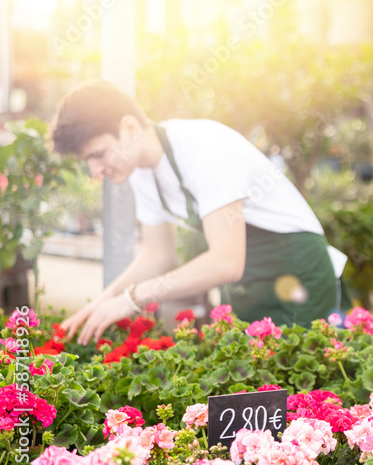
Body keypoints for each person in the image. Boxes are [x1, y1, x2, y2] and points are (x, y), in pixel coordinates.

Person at [52, 80, 339, 343]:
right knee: (258, 391)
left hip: (298, 273)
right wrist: (101, 303)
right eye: (86, 160)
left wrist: (133, 298)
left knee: (301, 391)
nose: (95, 170)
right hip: (247, 286)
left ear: (129, 129)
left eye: (98, 154)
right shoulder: (139, 171)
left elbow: (226, 261)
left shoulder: (204, 148)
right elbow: (158, 255)